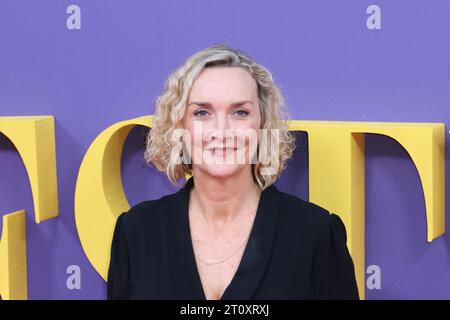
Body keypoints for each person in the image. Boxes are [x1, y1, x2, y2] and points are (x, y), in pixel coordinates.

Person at [107, 44, 359, 300]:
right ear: (179, 126)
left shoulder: (315, 234)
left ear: (263, 125)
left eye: (240, 112)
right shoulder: (136, 232)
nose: (222, 130)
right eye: (202, 112)